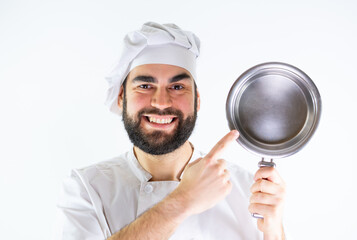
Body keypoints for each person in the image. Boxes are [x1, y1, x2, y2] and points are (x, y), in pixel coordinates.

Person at [56, 22, 287, 240]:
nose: (161, 102)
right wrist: (182, 200)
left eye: (177, 87)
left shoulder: (247, 189)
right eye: (145, 86)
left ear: (197, 100)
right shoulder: (87, 188)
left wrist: (274, 231)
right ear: (121, 97)